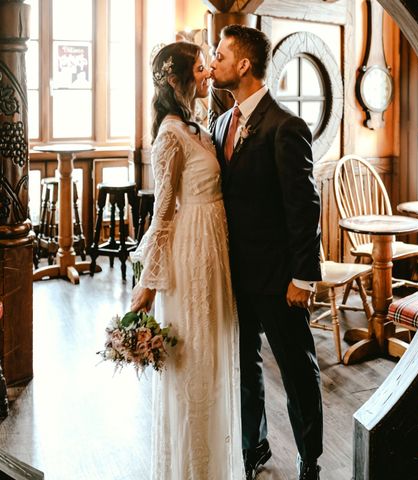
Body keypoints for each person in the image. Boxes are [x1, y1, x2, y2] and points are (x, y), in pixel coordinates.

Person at [210, 25, 323, 480]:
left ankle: (310, 457)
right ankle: (253, 448)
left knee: (297, 369)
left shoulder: (285, 127)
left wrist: (303, 277)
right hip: (233, 275)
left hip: (279, 278)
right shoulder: (221, 124)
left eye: (220, 55)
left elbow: (305, 207)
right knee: (243, 366)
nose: (213, 62)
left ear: (243, 65)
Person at [130, 41, 244, 480]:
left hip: (214, 249)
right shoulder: (168, 135)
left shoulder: (197, 126)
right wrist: (148, 284)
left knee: (212, 360)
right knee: (193, 362)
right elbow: (162, 214)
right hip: (191, 254)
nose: (206, 75)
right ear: (176, 79)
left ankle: (214, 465)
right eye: (199, 68)